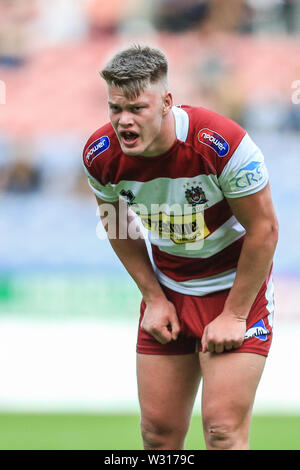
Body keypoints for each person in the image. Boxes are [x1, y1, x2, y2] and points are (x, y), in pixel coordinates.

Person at [82, 45, 278, 450]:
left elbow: (265, 230)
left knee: (222, 432)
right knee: (158, 435)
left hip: (233, 290)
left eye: (137, 108)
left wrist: (235, 313)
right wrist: (153, 297)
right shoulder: (100, 156)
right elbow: (117, 225)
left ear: (167, 102)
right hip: (170, 290)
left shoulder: (220, 143)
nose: (124, 120)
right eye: (115, 108)